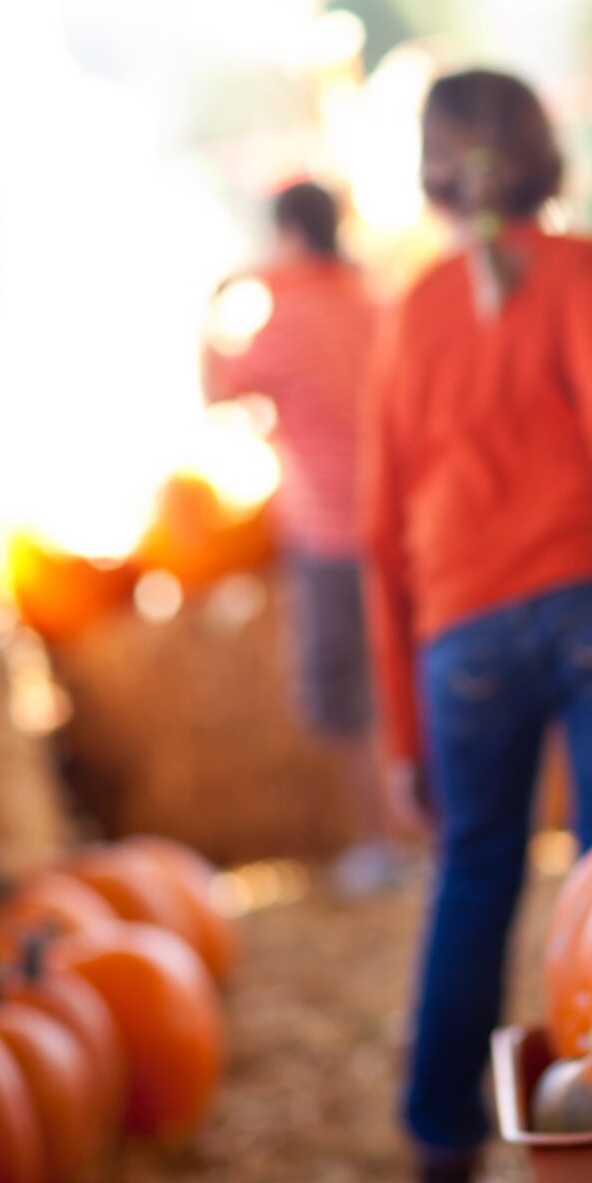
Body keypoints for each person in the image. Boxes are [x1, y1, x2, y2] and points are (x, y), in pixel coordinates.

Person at [363, 69, 592, 1183]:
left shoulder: (408, 317)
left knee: (474, 870)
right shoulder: (586, 268)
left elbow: (378, 536)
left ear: (435, 172)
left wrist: (401, 736)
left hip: (458, 635)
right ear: (544, 158)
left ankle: (439, 1135)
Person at [201, 179, 401, 894]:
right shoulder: (376, 304)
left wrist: (220, 302)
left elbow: (217, 391)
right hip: (399, 523)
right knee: (405, 681)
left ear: (287, 236)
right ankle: (429, 832)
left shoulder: (283, 320)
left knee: (344, 692)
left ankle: (379, 843)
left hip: (328, 534)